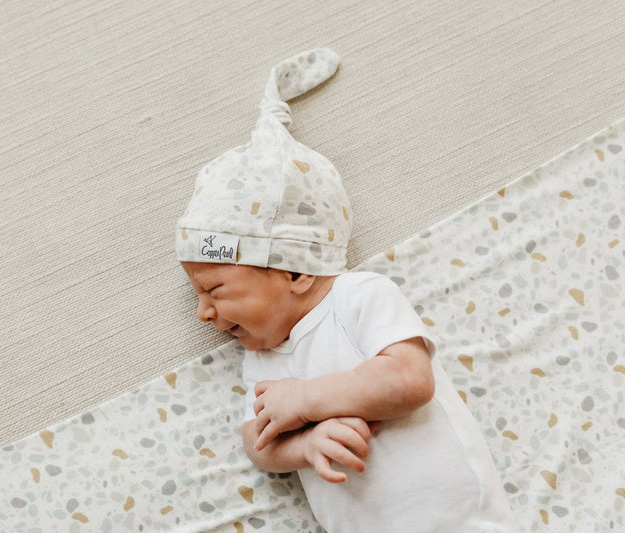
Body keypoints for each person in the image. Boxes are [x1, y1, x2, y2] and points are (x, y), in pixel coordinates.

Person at [176, 48, 515, 532]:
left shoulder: (358, 297)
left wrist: (307, 401)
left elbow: (411, 381)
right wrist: (305, 446)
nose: (202, 313)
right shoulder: (262, 358)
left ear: (295, 272)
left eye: (212, 288)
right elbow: (258, 443)